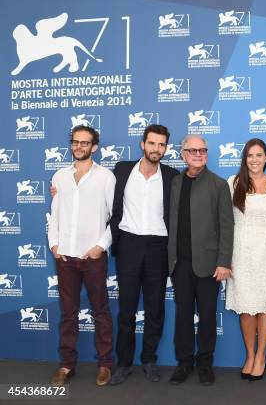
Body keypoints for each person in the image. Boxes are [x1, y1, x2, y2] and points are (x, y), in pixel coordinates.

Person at [108, 125, 179, 385]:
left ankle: (149, 360)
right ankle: (124, 363)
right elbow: (100, 194)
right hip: (128, 244)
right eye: (152, 143)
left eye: (161, 145)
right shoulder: (122, 170)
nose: (156, 149)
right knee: (126, 309)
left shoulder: (172, 175)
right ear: (143, 144)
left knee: (155, 308)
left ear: (166, 148)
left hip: (159, 247)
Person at [48, 125, 115, 386]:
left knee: (100, 312)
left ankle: (105, 364)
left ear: (94, 147)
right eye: (75, 142)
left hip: (93, 257)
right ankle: (66, 365)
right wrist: (54, 244)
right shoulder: (59, 177)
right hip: (65, 257)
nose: (79, 146)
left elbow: (114, 216)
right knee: (68, 313)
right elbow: (55, 215)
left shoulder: (106, 178)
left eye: (85, 143)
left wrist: (100, 245)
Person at [167, 134, 233, 386]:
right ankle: (184, 363)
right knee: (183, 315)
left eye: (202, 150)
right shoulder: (174, 183)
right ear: (183, 154)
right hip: (179, 263)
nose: (198, 154)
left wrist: (224, 261)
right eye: (192, 150)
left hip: (209, 264)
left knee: (207, 315)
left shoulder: (218, 184)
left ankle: (205, 363)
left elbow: (227, 226)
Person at [225, 138, 266, 381]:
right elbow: (226, 222)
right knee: (246, 306)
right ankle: (249, 354)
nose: (254, 160)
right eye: (250, 155)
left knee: (264, 304)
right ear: (245, 158)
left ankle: (261, 355)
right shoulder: (233, 182)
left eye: (259, 155)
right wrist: (225, 255)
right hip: (240, 250)